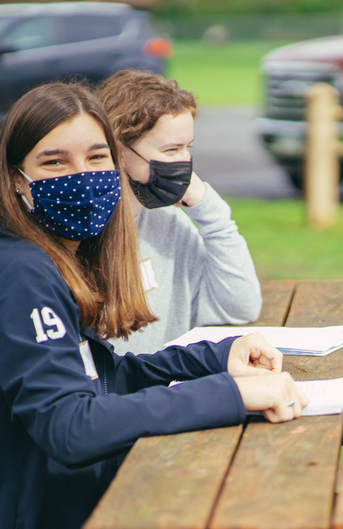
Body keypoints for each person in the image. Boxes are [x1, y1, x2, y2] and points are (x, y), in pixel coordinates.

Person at [0, 82, 324, 529]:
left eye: (95, 157)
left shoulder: (42, 258)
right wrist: (231, 395)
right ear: (17, 181)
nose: (82, 175)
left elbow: (108, 374)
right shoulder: (15, 275)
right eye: (55, 161)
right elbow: (71, 425)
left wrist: (216, 358)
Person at [95, 69, 262, 355]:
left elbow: (240, 307)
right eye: (171, 150)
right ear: (119, 149)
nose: (184, 163)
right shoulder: (85, 230)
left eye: (188, 148)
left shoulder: (169, 221)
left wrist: (207, 207)